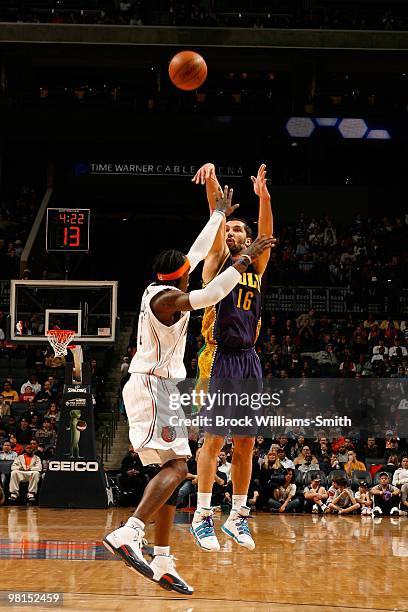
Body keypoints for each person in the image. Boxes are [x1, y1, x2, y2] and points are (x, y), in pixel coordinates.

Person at [103, 187, 274, 594]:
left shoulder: (164, 284)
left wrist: (216, 214)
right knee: (178, 468)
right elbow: (212, 292)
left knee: (174, 470)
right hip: (152, 387)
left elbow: (197, 251)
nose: (192, 263)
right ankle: (130, 531)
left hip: (166, 388)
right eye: (187, 265)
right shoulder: (169, 299)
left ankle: (162, 557)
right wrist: (246, 257)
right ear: (180, 273)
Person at [191, 162, 273, 552]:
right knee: (215, 440)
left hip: (249, 360)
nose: (232, 232)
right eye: (229, 230)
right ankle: (202, 516)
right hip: (220, 357)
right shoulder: (218, 262)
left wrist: (264, 199)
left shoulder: (256, 263)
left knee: (246, 443)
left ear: (249, 237)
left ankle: (237, 516)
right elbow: (215, 218)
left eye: (239, 228)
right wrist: (213, 190)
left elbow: (268, 235)